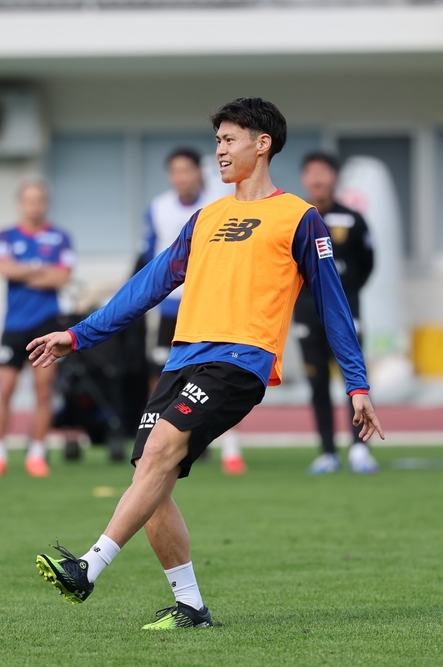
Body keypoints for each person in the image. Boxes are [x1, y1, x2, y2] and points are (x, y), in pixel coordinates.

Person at [30, 98, 383, 629]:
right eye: (217, 140)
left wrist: (357, 384)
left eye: (229, 140)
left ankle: (88, 566)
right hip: (183, 358)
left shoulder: (300, 218)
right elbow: (148, 285)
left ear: (262, 145)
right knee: (150, 475)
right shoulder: (206, 218)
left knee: (160, 452)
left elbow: (335, 306)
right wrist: (79, 335)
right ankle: (191, 607)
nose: (218, 151)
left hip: (240, 361)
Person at [140, 147, 246, 475]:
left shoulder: (221, 202)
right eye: (175, 172)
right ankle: (157, 444)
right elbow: (149, 258)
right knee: (161, 374)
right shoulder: (158, 208)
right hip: (171, 307)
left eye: (187, 170)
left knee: (220, 373)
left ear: (199, 172)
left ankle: (230, 448)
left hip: (210, 306)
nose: (182, 178)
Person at [0, 180, 75, 479]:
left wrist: (23, 271)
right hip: (13, 325)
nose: (34, 206)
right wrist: (41, 270)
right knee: (5, 391)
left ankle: (36, 454)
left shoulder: (60, 237)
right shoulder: (6, 235)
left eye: (39, 200)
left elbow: (62, 278)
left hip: (47, 324)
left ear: (45, 203)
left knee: (44, 391)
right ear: (20, 204)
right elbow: (3, 269)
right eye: (29, 200)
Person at [295, 152, 377, 475]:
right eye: (311, 172)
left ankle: (360, 449)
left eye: (324, 172)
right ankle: (328, 452)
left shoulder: (353, 219)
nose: (317, 179)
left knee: (354, 380)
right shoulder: (295, 219)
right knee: (316, 384)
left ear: (335, 178)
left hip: (346, 313)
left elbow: (367, 264)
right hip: (307, 313)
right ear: (304, 179)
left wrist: (344, 295)